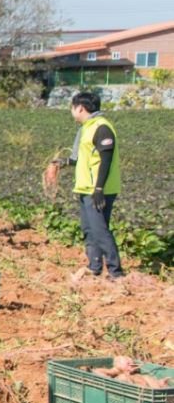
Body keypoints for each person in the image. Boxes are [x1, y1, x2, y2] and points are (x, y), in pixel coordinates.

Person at [52, 91, 123, 278]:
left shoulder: (102, 127)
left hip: (99, 189)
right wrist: (63, 163)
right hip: (85, 188)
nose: (72, 111)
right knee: (89, 229)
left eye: (72, 108)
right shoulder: (86, 128)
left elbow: (105, 159)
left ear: (80, 108)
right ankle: (94, 267)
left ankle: (116, 272)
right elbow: (81, 158)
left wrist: (98, 188)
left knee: (100, 230)